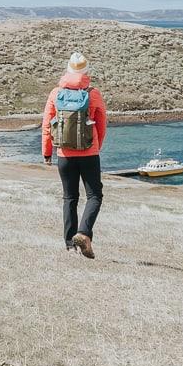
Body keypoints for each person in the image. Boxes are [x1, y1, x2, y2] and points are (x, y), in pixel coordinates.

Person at [42, 51, 107, 258]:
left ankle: (70, 244)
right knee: (94, 195)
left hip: (64, 154)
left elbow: (46, 124)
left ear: (67, 70)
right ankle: (84, 233)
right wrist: (97, 145)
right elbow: (102, 123)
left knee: (69, 197)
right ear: (86, 71)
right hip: (89, 152)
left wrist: (47, 152)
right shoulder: (92, 93)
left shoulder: (56, 93)